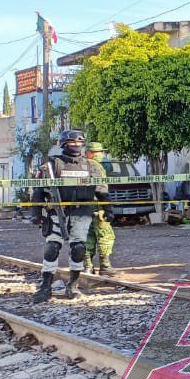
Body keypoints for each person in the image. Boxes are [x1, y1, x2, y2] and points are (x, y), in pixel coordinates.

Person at [30, 130, 109, 303]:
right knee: (52, 247)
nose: (75, 146)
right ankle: (45, 286)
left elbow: (102, 191)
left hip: (82, 213)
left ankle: (73, 284)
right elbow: (38, 192)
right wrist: (35, 213)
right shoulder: (52, 166)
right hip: (57, 213)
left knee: (79, 248)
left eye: (78, 143)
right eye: (71, 143)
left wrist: (108, 209)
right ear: (63, 144)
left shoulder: (91, 166)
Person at [82, 141, 119, 277]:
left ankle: (87, 266)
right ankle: (105, 266)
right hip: (99, 206)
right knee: (105, 235)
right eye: (99, 153)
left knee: (88, 236)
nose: (101, 156)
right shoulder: (97, 166)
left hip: (84, 207)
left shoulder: (80, 166)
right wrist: (108, 208)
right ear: (90, 153)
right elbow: (101, 189)